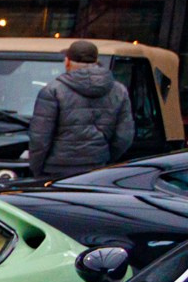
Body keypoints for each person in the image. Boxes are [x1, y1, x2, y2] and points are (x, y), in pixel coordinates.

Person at [28, 39, 136, 181]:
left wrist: (37, 169)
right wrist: (106, 157)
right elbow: (124, 136)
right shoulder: (119, 90)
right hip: (97, 168)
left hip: (56, 169)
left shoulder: (52, 91)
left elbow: (40, 139)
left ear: (67, 62)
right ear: (97, 61)